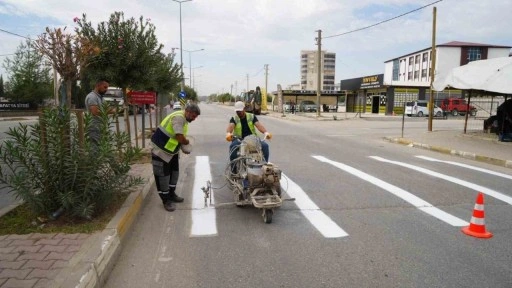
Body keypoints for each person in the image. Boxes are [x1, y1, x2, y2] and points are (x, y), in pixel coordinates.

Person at [150, 103, 201, 212]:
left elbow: (177, 136)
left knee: (174, 174)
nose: (194, 119)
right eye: (193, 116)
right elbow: (179, 136)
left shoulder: (184, 119)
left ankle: (171, 194)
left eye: (196, 117)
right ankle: (166, 200)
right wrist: (186, 143)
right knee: (163, 177)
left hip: (171, 151)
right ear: (187, 112)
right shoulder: (179, 118)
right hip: (160, 151)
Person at [226, 101, 272, 165]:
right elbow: (230, 126)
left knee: (265, 146)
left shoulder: (251, 116)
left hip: (252, 138)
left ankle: (264, 166)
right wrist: (228, 133)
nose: (238, 112)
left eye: (240, 110)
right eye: (237, 111)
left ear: (244, 109)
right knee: (233, 147)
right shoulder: (234, 118)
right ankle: (234, 170)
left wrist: (266, 132)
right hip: (239, 139)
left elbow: (259, 125)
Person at [84, 79, 116, 150]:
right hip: (94, 127)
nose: (106, 90)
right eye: (105, 87)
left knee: (101, 148)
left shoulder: (100, 98)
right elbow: (95, 112)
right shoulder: (92, 97)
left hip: (100, 127)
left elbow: (106, 108)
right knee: (94, 148)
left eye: (107, 87)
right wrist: (111, 111)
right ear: (98, 85)